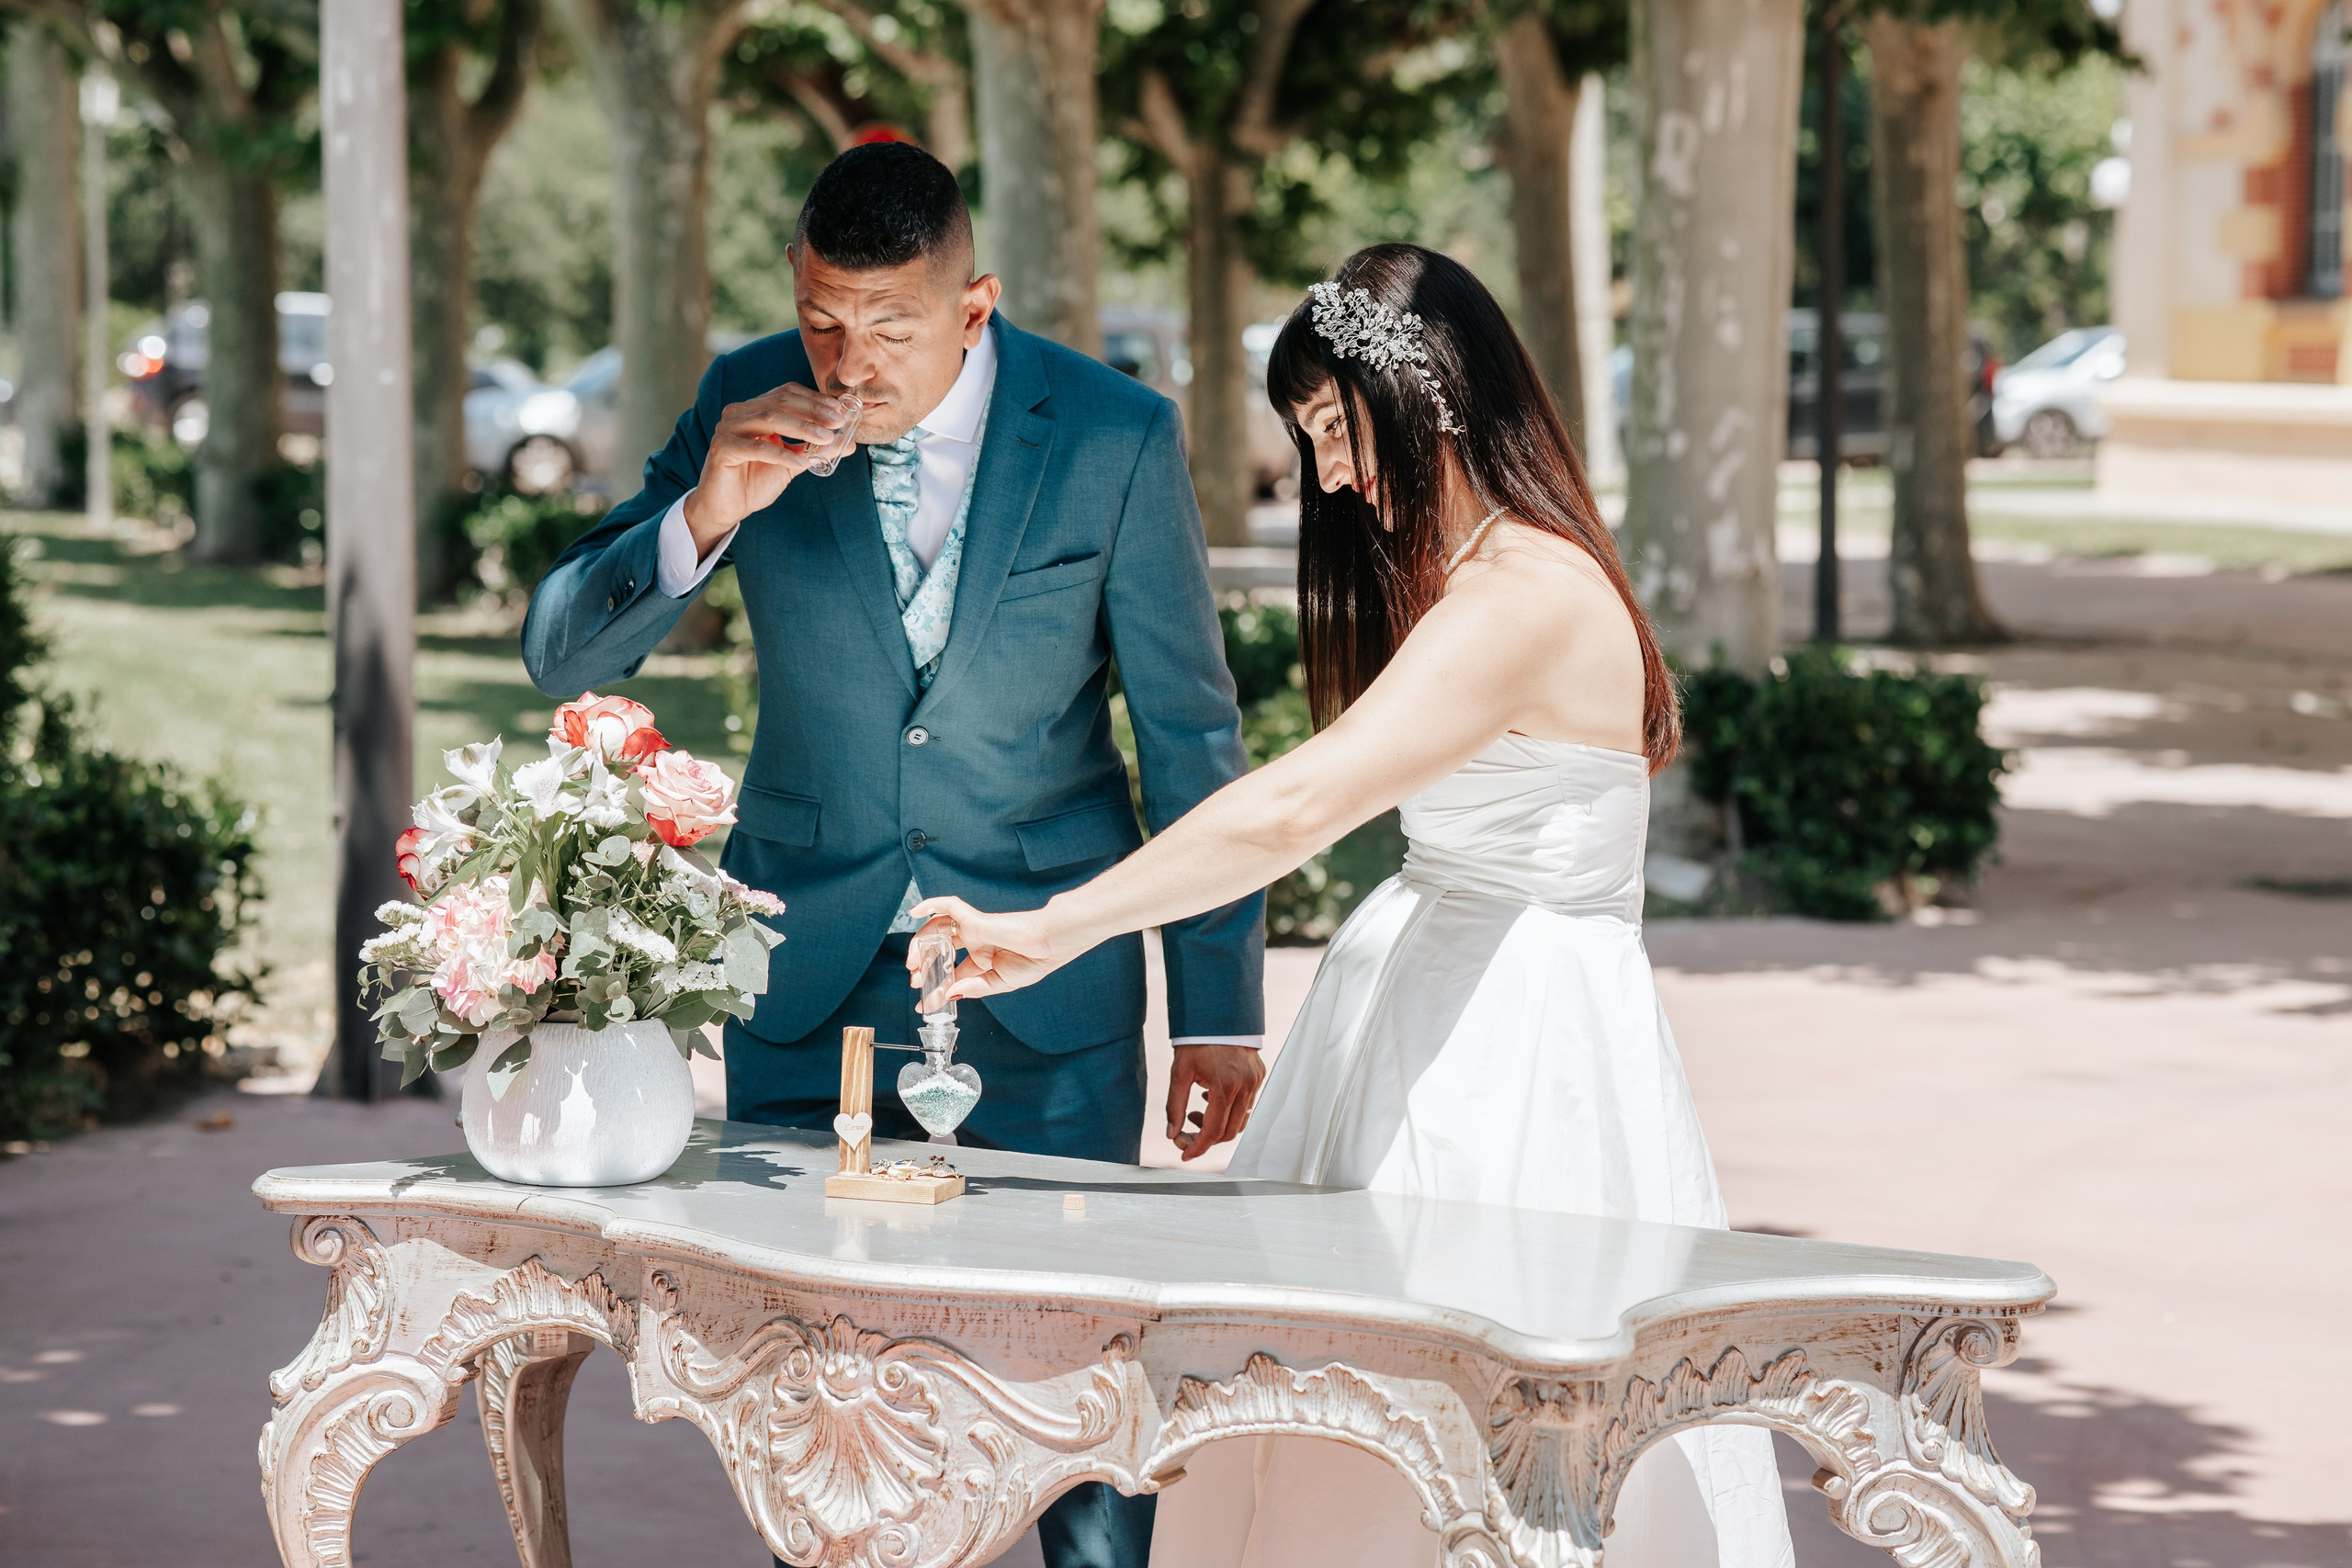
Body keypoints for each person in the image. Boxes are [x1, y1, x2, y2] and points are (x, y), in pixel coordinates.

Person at [909, 243, 1797, 1568]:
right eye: (1308, 434)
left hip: (1507, 1062)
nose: (1326, 471)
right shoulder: (1482, 577)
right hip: (1423, 1013)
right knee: (1340, 1421)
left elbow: (1292, 809)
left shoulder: (1526, 594)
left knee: (1448, 1434)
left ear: (1424, 390)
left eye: (1334, 424)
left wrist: (1053, 928)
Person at [520, 141, 1268, 1568]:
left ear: (975, 306)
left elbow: (1190, 739)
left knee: (1081, 1416)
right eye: (822, 320)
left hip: (1051, 997)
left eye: (890, 327)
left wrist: (1215, 1010)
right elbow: (561, 652)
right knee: (819, 1424)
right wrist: (706, 511)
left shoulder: (1113, 434)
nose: (849, 365)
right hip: (809, 988)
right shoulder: (744, 399)